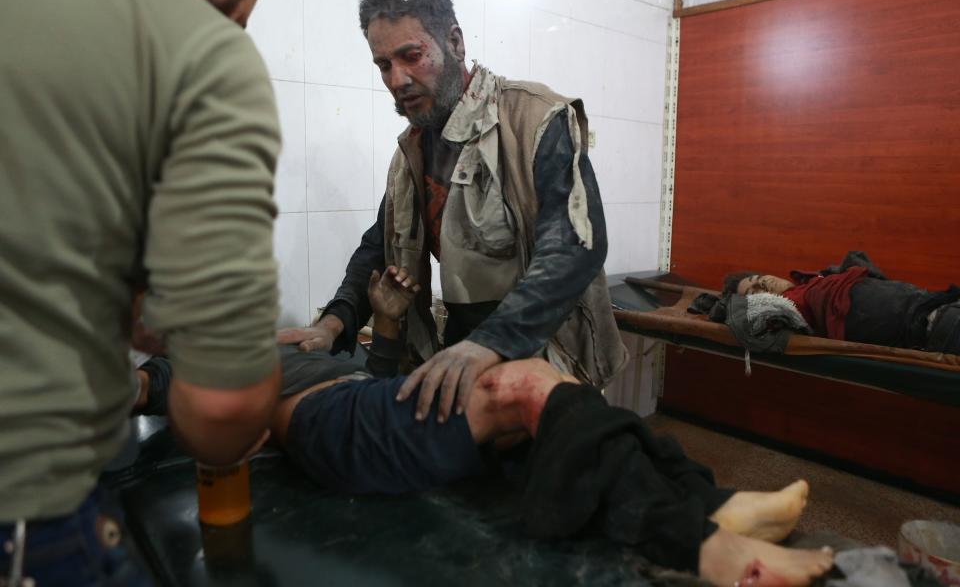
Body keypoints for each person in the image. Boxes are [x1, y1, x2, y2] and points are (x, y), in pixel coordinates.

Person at [138, 266, 833, 587]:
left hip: (367, 408)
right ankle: (704, 548)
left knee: (551, 401)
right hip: (329, 426)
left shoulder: (286, 341)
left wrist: (379, 321)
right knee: (519, 384)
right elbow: (147, 388)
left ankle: (708, 502)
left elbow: (376, 384)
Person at [0, 0, 281, 584]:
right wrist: (221, 408)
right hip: (26, 510)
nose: (234, 33)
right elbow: (222, 410)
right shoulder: (196, 48)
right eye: (240, 17)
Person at [278, 0, 628, 425]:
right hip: (461, 349)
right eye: (384, 65)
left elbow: (574, 248)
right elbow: (379, 246)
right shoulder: (414, 149)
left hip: (546, 355)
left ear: (455, 43)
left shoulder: (534, 118)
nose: (397, 79)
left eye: (411, 56)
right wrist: (334, 323)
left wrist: (490, 344)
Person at [724, 251, 960, 354]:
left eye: (759, 279)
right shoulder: (789, 307)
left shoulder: (816, 279)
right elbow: (743, 319)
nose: (762, 286)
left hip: (938, 302)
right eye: (753, 292)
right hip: (933, 326)